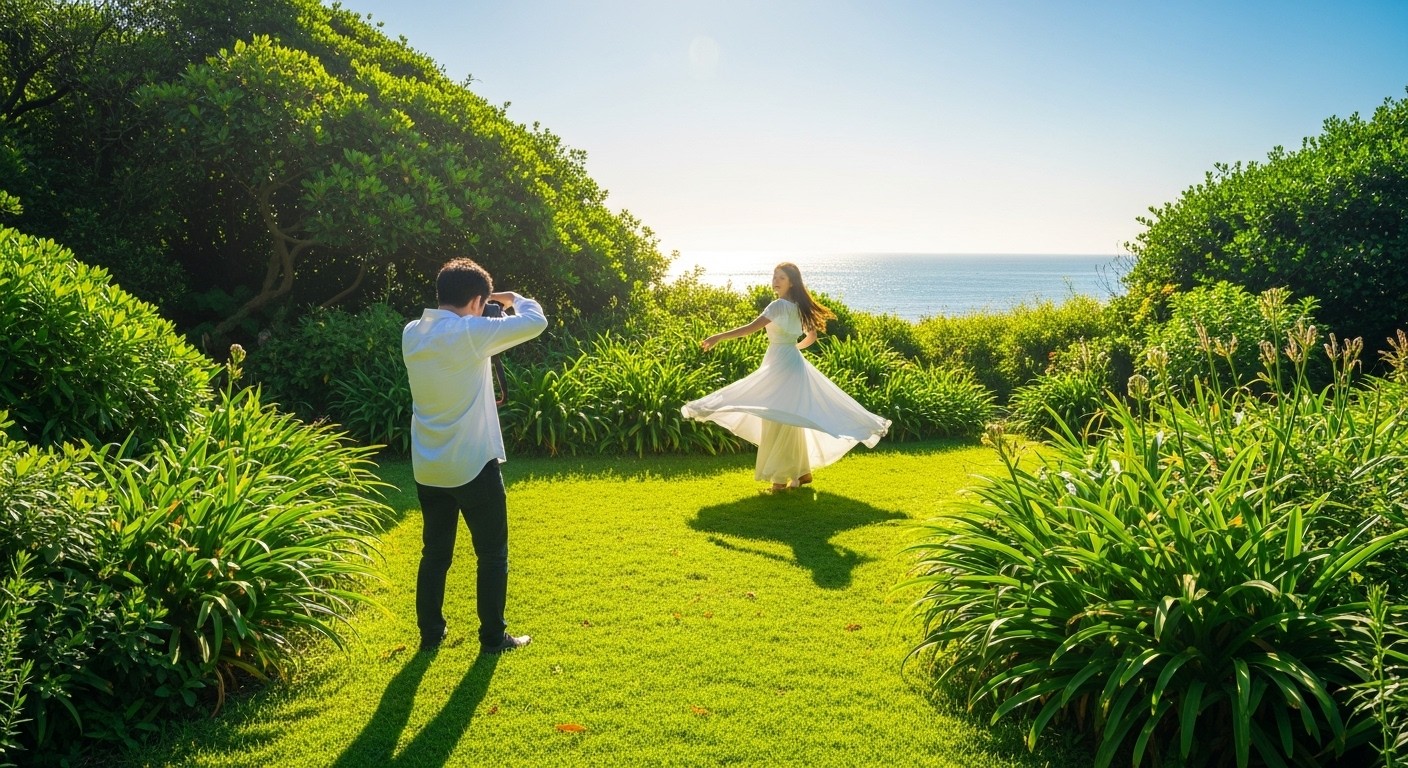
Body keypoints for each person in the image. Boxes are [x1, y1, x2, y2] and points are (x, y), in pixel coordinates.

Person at [402, 258, 547, 654]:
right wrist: (512, 297)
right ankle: (492, 638)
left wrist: (484, 304)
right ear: (477, 300)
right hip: (472, 464)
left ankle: (431, 635)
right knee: (492, 554)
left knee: (434, 554)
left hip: (428, 466)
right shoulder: (470, 332)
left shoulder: (412, 332)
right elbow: (536, 321)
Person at [681, 262, 890, 491]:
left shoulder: (778, 306)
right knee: (790, 418)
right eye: (774, 276)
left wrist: (718, 337)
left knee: (778, 418)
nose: (775, 280)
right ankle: (801, 474)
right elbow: (811, 337)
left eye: (781, 277)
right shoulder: (801, 306)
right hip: (792, 363)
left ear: (791, 282)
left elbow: (750, 328)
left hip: (780, 363)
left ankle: (780, 480)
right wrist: (792, 348)